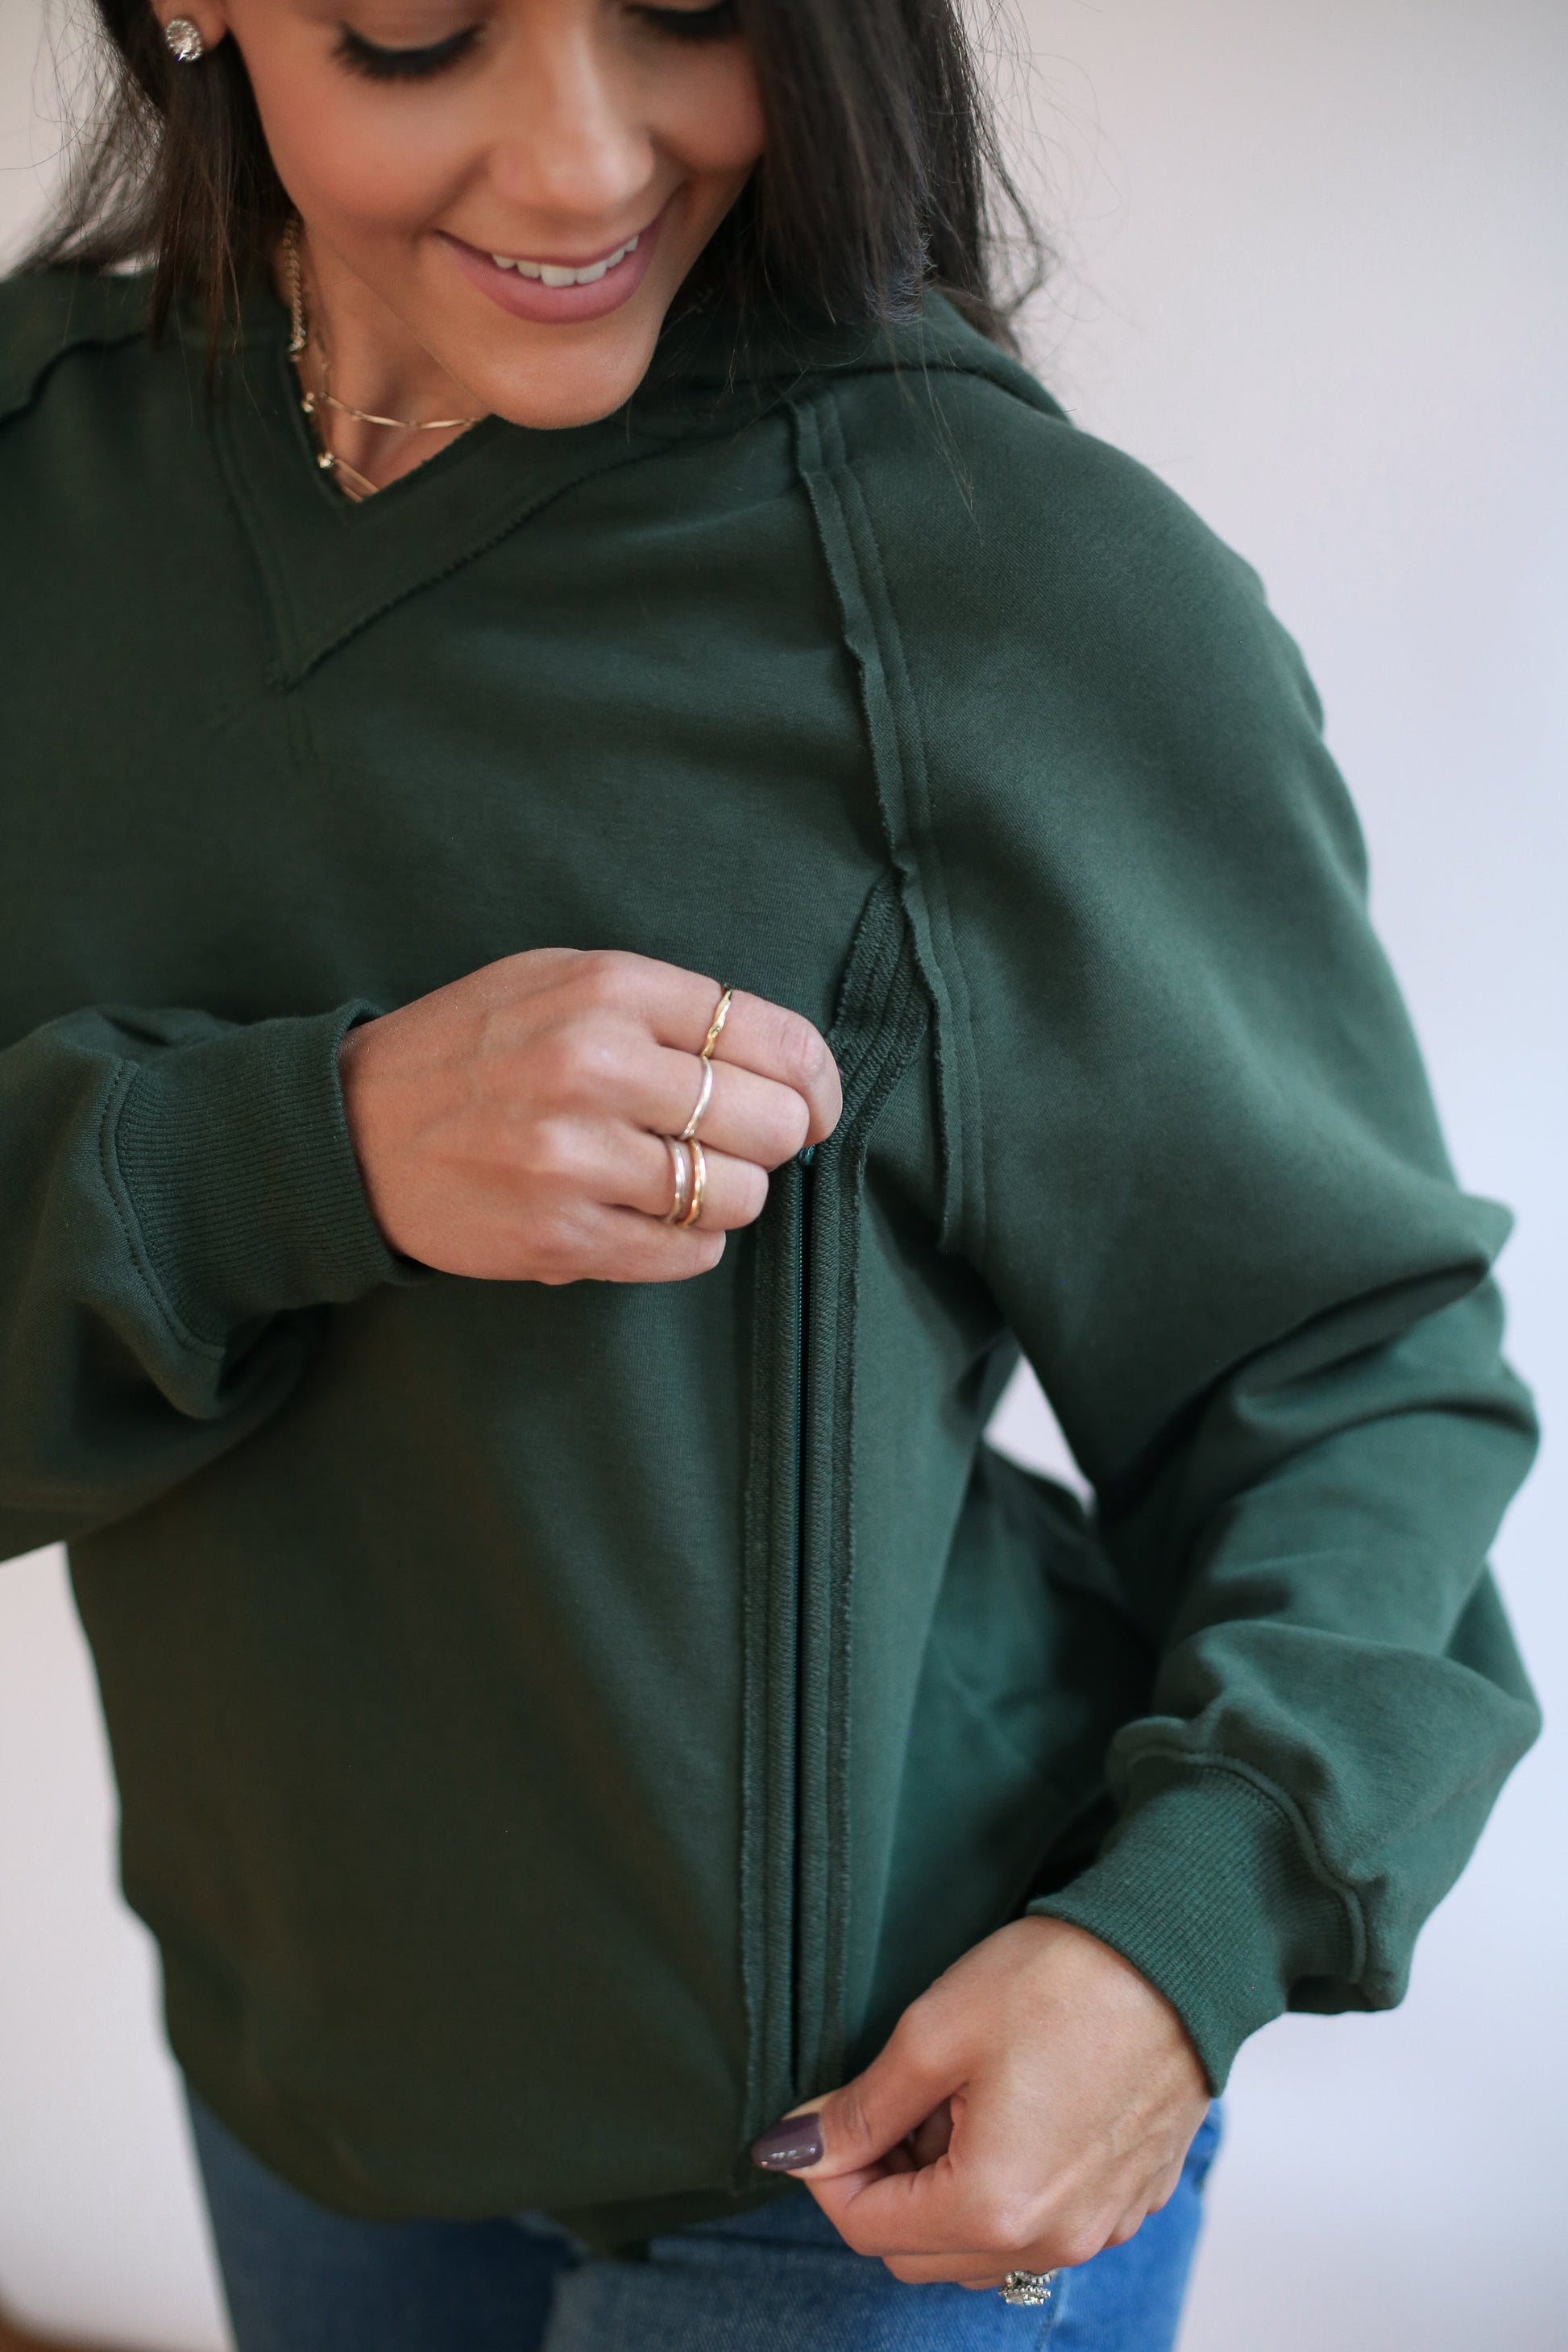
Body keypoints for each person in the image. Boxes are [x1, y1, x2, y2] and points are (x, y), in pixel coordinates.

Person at [1, 2, 1539, 2346]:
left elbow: (1349, 1367)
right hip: (308, 2084)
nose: (577, 163)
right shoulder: (39, 494)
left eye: (692, 9)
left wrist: (1179, 1945)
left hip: (883, 2156)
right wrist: (293, 1155)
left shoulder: (997, 577)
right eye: (416, 31)